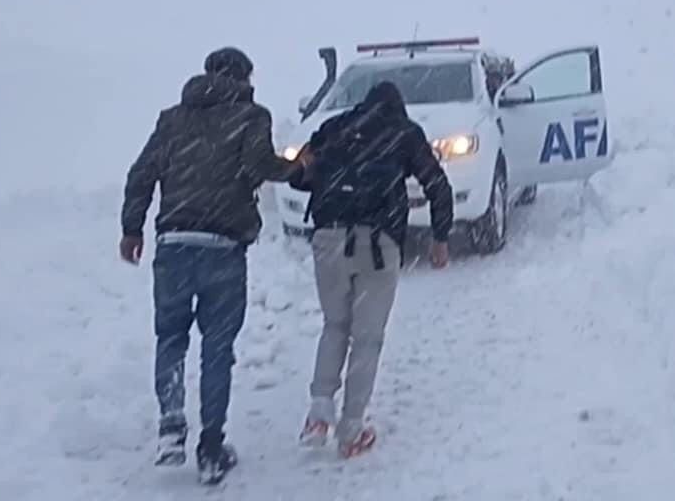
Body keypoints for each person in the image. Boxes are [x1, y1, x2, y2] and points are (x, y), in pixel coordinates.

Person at [120, 46, 302, 485]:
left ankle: (170, 426)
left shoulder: (172, 119)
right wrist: (298, 166)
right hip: (222, 246)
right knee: (217, 348)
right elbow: (258, 166)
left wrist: (132, 229)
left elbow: (141, 174)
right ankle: (211, 447)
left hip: (173, 244)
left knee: (171, 337)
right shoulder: (251, 115)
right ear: (244, 76)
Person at [286, 81, 453, 458]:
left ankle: (318, 415)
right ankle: (351, 430)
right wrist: (440, 238)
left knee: (334, 325)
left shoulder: (334, 127)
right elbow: (437, 185)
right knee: (367, 338)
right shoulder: (404, 133)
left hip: (328, 239)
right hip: (379, 245)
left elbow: (297, 175)